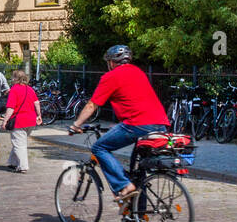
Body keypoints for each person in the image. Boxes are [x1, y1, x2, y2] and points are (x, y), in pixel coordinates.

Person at [69, 44, 170, 202]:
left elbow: (92, 105)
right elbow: (136, 100)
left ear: (111, 62)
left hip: (137, 124)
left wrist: (76, 125)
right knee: (138, 166)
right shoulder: (138, 72)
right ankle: (139, 212)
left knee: (99, 147)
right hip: (161, 124)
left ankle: (124, 186)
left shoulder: (111, 76)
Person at [1, 69, 41, 172]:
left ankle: (23, 167)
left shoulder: (14, 90)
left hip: (19, 121)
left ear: (15, 78)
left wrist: (5, 121)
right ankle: (12, 162)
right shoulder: (30, 89)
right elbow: (36, 102)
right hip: (31, 120)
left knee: (19, 144)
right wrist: (39, 115)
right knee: (20, 142)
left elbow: (10, 108)